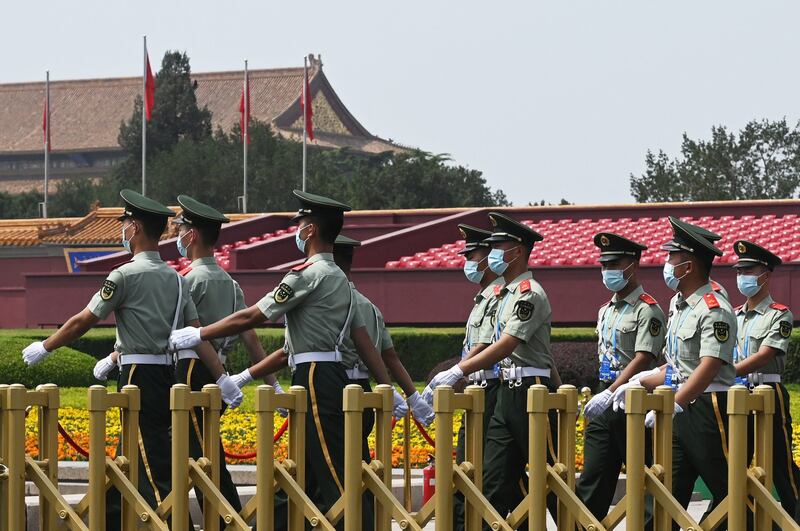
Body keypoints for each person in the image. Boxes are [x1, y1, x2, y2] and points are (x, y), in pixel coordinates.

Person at [168, 190, 393, 530]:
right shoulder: (340, 281)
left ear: (311, 230)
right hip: (322, 373)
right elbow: (362, 340)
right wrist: (390, 387)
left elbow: (254, 316)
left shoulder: (308, 274)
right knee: (303, 469)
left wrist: (200, 334)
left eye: (301, 223)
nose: (297, 229)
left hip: (315, 374)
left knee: (333, 470)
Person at [22, 190, 242, 531]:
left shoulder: (123, 275)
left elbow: (85, 319)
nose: (122, 229)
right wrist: (223, 376)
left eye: (124, 223)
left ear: (135, 228)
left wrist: (47, 346)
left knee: (152, 463)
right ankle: (110, 519)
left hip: (138, 375)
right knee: (128, 457)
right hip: (168, 374)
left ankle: (169, 523)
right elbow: (197, 336)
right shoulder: (178, 280)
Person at [423, 212, 561, 523]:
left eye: (500, 246)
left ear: (519, 251)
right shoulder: (506, 296)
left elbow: (508, 343)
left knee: (551, 476)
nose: (494, 252)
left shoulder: (530, 293)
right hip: (506, 392)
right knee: (493, 477)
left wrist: (458, 371)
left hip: (531, 390)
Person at [611, 217, 737, 526]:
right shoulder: (679, 306)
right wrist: (640, 381)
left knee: (730, 490)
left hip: (709, 409)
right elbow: (678, 366)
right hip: (681, 407)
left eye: (672, 257)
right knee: (664, 490)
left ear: (689, 266)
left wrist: (678, 401)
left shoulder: (713, 308)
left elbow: (710, 364)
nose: (666, 264)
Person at [577, 232, 665, 524]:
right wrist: (605, 391)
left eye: (614, 264)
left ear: (633, 265)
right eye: (604, 265)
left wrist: (613, 389)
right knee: (594, 475)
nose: (608, 271)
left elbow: (644, 357)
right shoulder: (605, 310)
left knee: (645, 475)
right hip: (606, 394)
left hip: (634, 397)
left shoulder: (647, 310)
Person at [451, 223, 513, 530]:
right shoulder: (483, 297)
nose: (468, 262)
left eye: (473, 255)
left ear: (489, 257)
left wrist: (456, 372)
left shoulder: (500, 296)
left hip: (490, 389)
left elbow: (485, 344)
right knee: (469, 467)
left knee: (489, 471)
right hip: (476, 389)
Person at [731, 239, 798, 521]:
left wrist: (724, 372)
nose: (743, 277)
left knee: (779, 460)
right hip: (737, 392)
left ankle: (795, 513)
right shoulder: (731, 316)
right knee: (735, 459)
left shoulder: (779, 315)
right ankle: (735, 517)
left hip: (767, 389)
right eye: (739, 271)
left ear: (766, 274)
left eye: (749, 271)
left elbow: (765, 354)